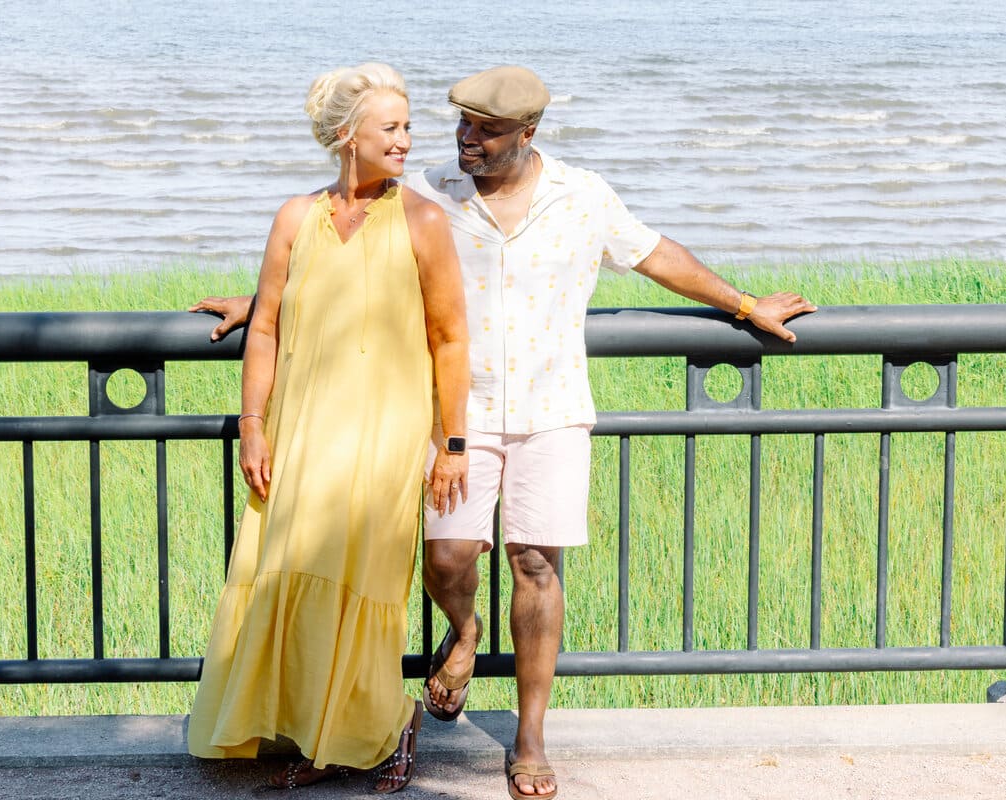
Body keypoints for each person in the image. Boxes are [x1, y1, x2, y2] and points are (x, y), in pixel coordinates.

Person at [193, 64, 815, 800]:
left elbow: (656, 256)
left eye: (485, 131)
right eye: (461, 124)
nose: (465, 140)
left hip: (552, 409)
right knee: (448, 555)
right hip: (457, 415)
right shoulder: (425, 191)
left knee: (537, 567)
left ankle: (529, 737)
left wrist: (742, 304)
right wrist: (263, 299)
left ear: (527, 133)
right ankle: (464, 631)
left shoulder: (583, 196)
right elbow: (344, 242)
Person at [185, 62, 469, 795]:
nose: (407, 140)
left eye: (408, 126)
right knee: (288, 566)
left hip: (385, 437)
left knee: (363, 579)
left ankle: (388, 721)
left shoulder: (424, 220)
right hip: (300, 430)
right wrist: (253, 426)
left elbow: (449, 338)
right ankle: (314, 732)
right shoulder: (293, 217)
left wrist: (452, 444)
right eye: (393, 127)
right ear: (348, 136)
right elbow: (267, 326)